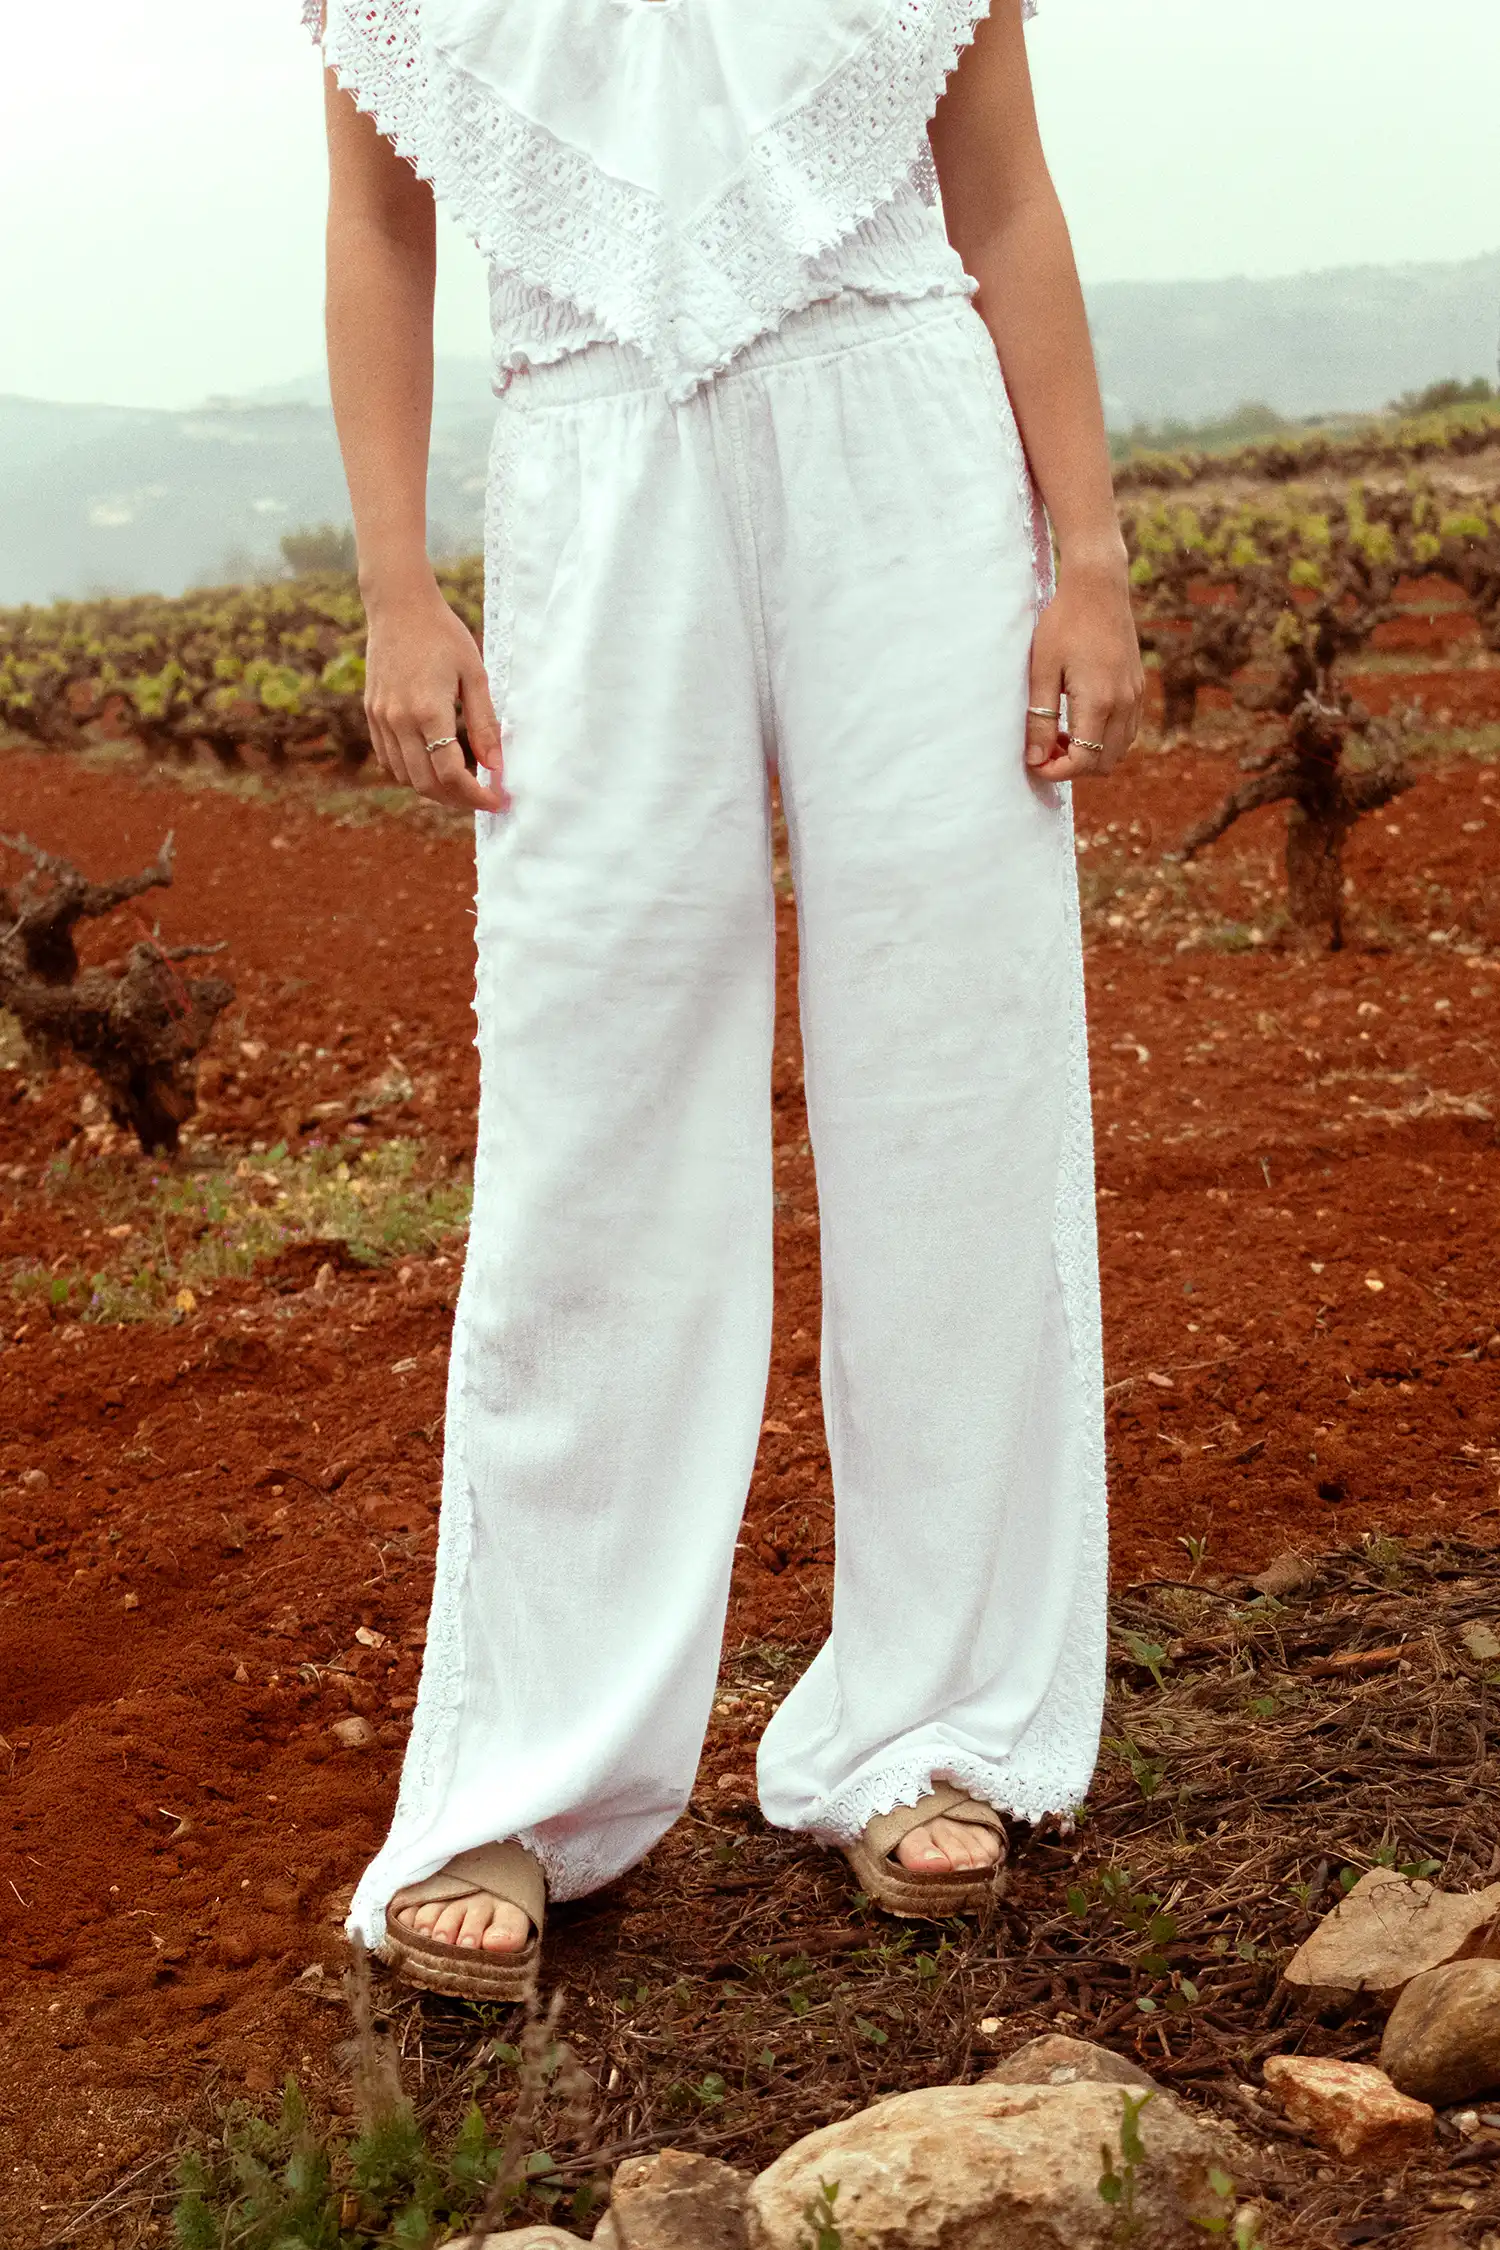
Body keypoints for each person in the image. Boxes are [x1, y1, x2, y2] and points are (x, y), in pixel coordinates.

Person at [310, 0, 1141, 2000]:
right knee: (589, 1107)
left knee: (955, 1068)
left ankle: (928, 1721)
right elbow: (376, 224)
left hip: (910, 445)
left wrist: (1091, 556)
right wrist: (395, 585)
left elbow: (1004, 190)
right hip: (590, 452)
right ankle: (523, 1774)